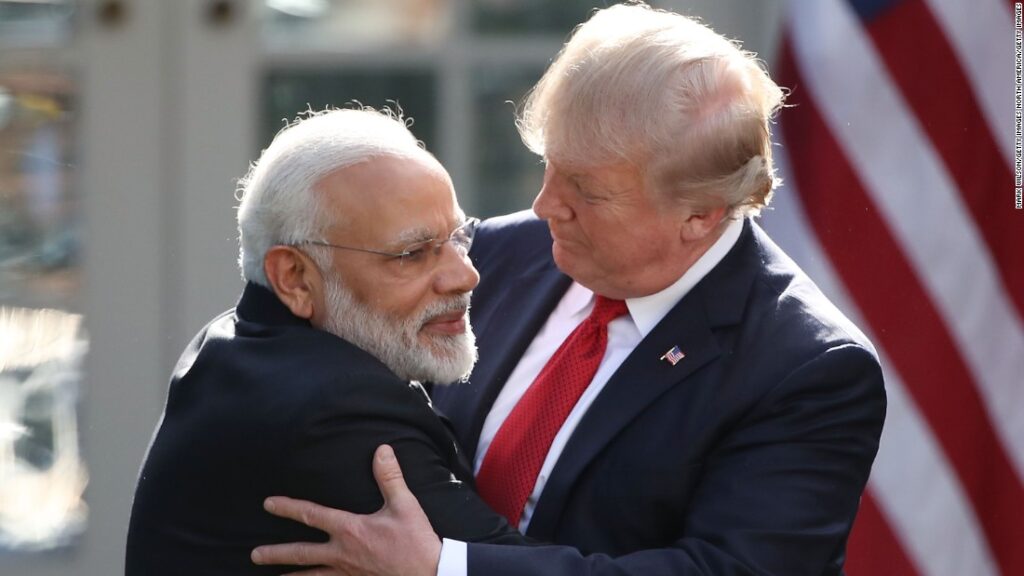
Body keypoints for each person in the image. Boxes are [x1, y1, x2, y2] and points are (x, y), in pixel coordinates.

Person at [251, 3, 887, 576]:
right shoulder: (502, 253)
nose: (545, 205)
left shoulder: (807, 371)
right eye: (548, 165)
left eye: (586, 190)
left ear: (701, 214)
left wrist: (447, 569)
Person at [124, 108, 528, 575]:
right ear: (294, 277)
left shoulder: (233, 342)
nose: (466, 275)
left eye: (460, 238)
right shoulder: (336, 408)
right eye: (412, 254)